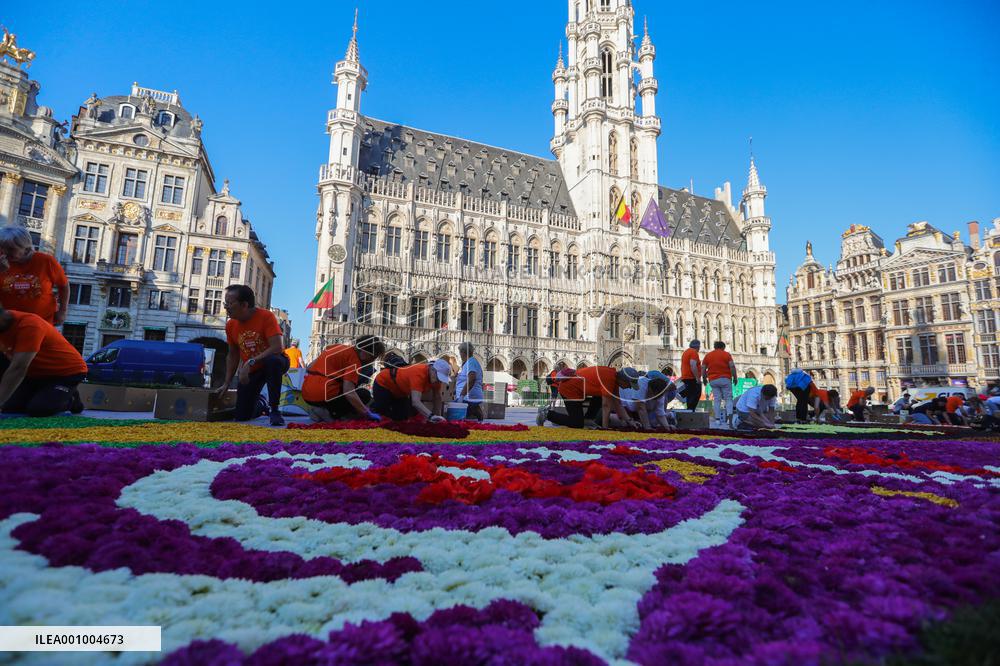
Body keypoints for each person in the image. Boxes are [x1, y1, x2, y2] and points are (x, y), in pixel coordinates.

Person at [213, 284, 289, 426]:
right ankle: (261, 404)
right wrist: (226, 383)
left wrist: (251, 362)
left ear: (244, 305)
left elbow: (277, 347)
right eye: (225, 303)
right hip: (252, 370)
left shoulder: (266, 316)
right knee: (242, 415)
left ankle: (275, 410)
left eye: (229, 303)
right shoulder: (230, 325)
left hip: (275, 361)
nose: (226, 307)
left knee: (273, 362)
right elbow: (233, 355)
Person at [0, 306, 87, 416]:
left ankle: (71, 399)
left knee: (39, 409)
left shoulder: (30, 325)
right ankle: (47, 393)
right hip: (36, 374)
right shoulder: (3, 325)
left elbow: (19, 368)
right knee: (11, 408)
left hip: (66, 373)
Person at [301, 335, 385, 421]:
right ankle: (329, 413)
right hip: (322, 396)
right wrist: (367, 412)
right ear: (365, 352)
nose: (372, 361)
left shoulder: (336, 347)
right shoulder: (354, 360)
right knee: (364, 394)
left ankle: (319, 408)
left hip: (306, 393)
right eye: (373, 357)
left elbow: (309, 367)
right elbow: (348, 392)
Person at [0, 226, 69, 325]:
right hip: (9, 324)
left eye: (11, 249)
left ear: (27, 249)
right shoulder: (2, 262)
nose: (5, 253)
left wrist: (62, 311)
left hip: (42, 323)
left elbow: (64, 286)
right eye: (2, 248)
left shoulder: (46, 261)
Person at [538, 365, 640, 429]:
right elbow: (606, 406)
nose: (629, 388)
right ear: (624, 380)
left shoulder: (614, 379)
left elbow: (618, 404)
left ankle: (588, 419)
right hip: (569, 389)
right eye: (629, 385)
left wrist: (630, 421)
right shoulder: (609, 378)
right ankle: (547, 414)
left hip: (579, 390)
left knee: (603, 396)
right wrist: (605, 428)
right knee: (576, 423)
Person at [372, 358, 452, 422]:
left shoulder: (436, 379)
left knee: (401, 419)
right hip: (383, 383)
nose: (439, 381)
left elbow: (437, 397)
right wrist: (431, 416)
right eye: (438, 377)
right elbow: (415, 401)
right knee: (382, 415)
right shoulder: (418, 373)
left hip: (400, 391)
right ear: (432, 370)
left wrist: (438, 417)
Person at [702, 341, 737, 427]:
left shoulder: (708, 355)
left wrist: (704, 378)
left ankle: (717, 420)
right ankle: (729, 420)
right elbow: (732, 366)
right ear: (723, 347)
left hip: (713, 380)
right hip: (725, 379)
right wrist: (735, 377)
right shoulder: (726, 355)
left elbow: (703, 368)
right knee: (728, 399)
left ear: (715, 347)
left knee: (717, 399)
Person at [456, 342, 484, 421]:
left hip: (468, 397)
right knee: (474, 415)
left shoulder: (470, 362)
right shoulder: (470, 362)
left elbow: (472, 379)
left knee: (462, 420)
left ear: (463, 352)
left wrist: (461, 396)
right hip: (470, 397)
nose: (460, 355)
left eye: (460, 352)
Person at [679, 340, 702, 411]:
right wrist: (697, 378)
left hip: (686, 377)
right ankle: (691, 411)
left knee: (690, 395)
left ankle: (689, 411)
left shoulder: (686, 352)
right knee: (695, 394)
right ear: (698, 347)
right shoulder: (693, 352)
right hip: (691, 378)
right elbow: (693, 365)